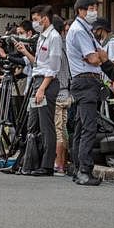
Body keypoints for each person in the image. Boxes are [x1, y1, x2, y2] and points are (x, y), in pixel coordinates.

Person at [66, 0, 110, 186]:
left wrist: (97, 57)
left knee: (81, 127)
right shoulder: (79, 31)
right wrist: (96, 57)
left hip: (85, 81)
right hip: (85, 81)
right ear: (80, 11)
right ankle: (84, 170)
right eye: (90, 9)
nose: (94, 12)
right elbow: (94, 58)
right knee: (89, 127)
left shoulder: (87, 30)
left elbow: (103, 54)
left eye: (95, 8)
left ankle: (78, 168)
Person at [24, 5, 61, 176]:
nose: (34, 23)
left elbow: (53, 69)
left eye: (36, 20)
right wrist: (24, 51)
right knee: (33, 123)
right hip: (38, 81)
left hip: (46, 84)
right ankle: (32, 161)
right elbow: (39, 64)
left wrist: (42, 89)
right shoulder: (41, 37)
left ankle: (46, 165)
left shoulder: (54, 37)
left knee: (46, 125)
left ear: (45, 19)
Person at [53, 15, 72, 175]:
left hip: (57, 92)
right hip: (68, 92)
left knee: (57, 130)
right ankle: (63, 162)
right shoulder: (67, 44)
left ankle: (58, 164)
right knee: (63, 128)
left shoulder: (55, 44)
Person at [92, 18, 114, 100]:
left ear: (102, 29)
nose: (94, 32)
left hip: (111, 86)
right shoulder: (102, 43)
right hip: (104, 84)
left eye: (96, 30)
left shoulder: (112, 43)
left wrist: (111, 85)